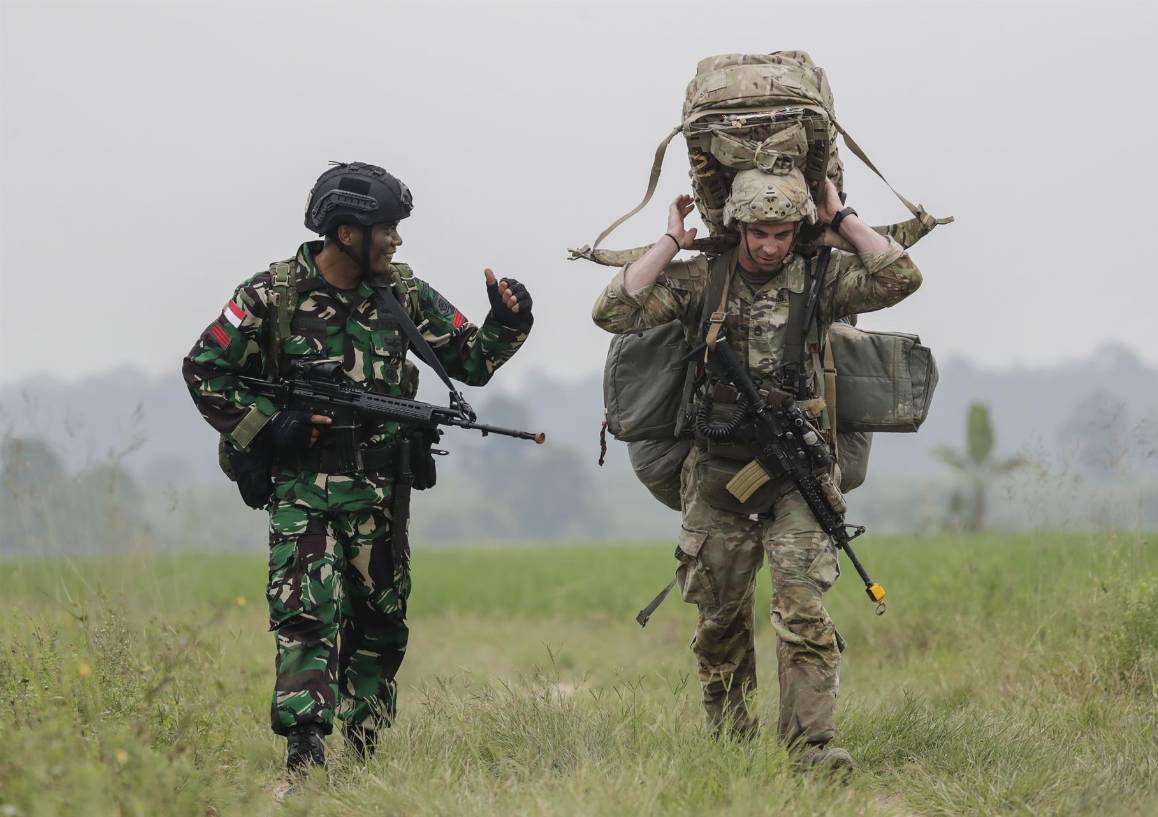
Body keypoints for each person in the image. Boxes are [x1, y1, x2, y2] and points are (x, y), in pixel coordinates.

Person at [182, 161, 533, 772]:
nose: (396, 240)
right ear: (346, 233)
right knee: (305, 614)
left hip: (381, 489)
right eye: (386, 229)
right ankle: (304, 749)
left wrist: (508, 322)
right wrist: (272, 423)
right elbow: (204, 371)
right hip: (303, 487)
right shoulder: (271, 295)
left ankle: (365, 749)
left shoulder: (405, 294)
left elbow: (471, 361)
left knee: (381, 623)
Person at [591, 166, 922, 771]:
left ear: (798, 231)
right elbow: (613, 310)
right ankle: (731, 746)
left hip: (798, 471)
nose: (770, 246)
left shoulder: (820, 278)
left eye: (783, 234)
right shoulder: (703, 280)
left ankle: (811, 747)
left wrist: (840, 218)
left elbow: (901, 276)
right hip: (718, 471)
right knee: (719, 616)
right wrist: (671, 241)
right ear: (738, 227)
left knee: (802, 607)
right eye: (759, 233)